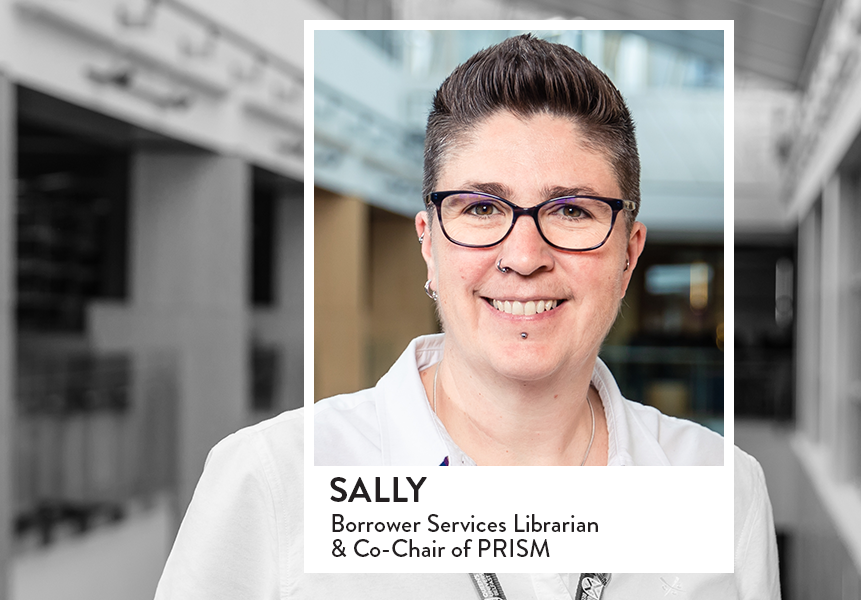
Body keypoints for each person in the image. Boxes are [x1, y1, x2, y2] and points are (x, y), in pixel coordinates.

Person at [154, 34, 777, 598]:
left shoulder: (723, 491)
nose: (524, 257)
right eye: (481, 208)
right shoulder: (273, 482)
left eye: (572, 212)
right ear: (429, 242)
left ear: (629, 254)